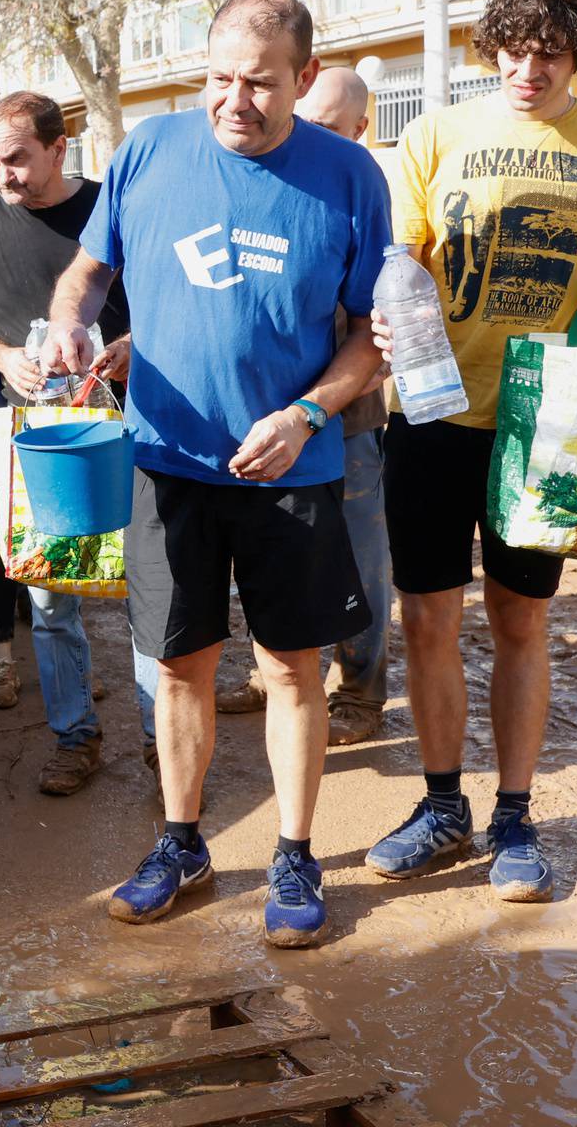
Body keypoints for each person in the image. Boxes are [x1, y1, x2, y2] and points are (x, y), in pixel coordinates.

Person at [43, 0, 389, 948]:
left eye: (261, 84)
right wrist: (75, 318)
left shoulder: (350, 175)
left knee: (289, 671)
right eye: (220, 79)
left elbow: (373, 341)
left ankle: (294, 852)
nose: (236, 101)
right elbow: (90, 270)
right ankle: (183, 841)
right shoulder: (150, 151)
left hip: (294, 466)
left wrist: (308, 411)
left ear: (306, 79)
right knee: (181, 667)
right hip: (171, 459)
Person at [363, 0, 577, 904]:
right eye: (511, 50)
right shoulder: (437, 132)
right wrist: (387, 316)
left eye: (548, 54)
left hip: (549, 418)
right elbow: (404, 263)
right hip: (431, 410)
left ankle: (513, 813)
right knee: (426, 615)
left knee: (522, 619)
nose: (526, 70)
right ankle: (440, 804)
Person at [0, 93, 122, 795]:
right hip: (36, 435)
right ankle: (76, 736)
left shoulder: (110, 209)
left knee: (148, 597)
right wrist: (2, 356)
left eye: (17, 159)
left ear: (58, 149)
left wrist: (131, 348)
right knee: (51, 600)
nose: (2, 174)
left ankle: (167, 736)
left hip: (130, 428)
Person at [210, 65, 392, 747]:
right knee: (279, 557)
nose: (308, 135)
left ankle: (362, 694)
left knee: (359, 560)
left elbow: (387, 314)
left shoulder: (361, 188)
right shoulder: (275, 177)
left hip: (349, 423)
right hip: (269, 420)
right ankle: (277, 676)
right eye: (305, 120)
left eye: (328, 125)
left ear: (360, 130)